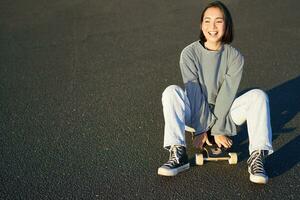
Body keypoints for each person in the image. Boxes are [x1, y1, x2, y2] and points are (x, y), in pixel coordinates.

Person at [157, 1, 273, 184]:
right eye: (207, 21)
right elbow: (193, 92)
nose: (212, 26)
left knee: (258, 96)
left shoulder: (235, 57)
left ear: (227, 25)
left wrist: (218, 129)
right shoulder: (189, 54)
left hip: (225, 113)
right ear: (201, 24)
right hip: (195, 112)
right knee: (171, 91)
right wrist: (202, 128)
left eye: (218, 21)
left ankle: (257, 157)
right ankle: (178, 154)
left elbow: (227, 94)